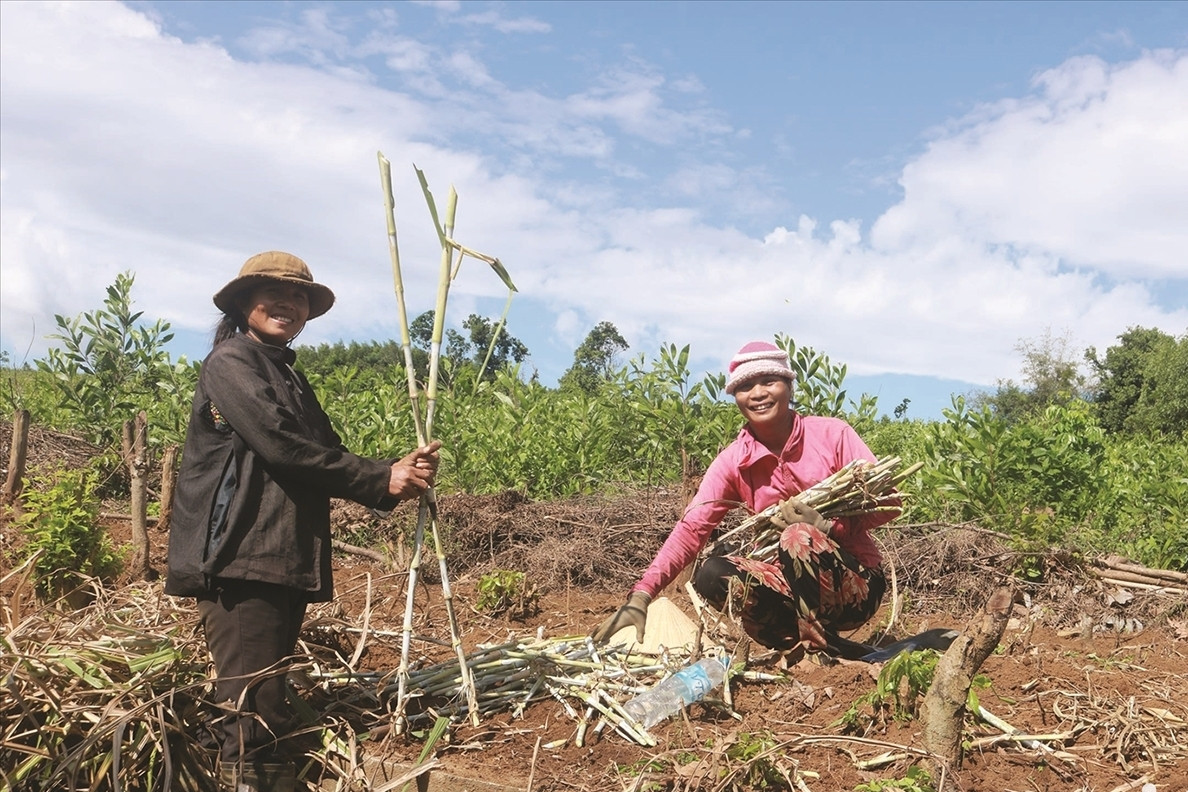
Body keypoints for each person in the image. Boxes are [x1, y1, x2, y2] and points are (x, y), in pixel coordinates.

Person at [165, 251, 441, 792]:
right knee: (254, 707)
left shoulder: (286, 374)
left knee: (257, 691)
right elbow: (281, 446)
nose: (287, 304)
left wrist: (394, 471)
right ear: (245, 303)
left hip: (277, 554)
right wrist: (377, 479)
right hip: (242, 554)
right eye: (273, 293)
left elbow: (328, 454)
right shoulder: (232, 363)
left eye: (298, 297)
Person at [592, 340, 898, 660]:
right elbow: (691, 528)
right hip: (788, 590)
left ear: (789, 387)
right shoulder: (733, 461)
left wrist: (829, 527)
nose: (758, 393)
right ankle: (809, 645)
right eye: (745, 386)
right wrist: (641, 595)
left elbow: (891, 503)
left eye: (769, 381)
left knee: (799, 536)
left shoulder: (833, 435)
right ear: (736, 397)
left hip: (856, 584)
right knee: (712, 574)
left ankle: (816, 648)